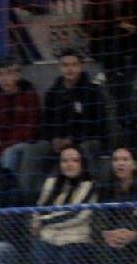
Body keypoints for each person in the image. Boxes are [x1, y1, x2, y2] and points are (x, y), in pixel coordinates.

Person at [27, 147, 98, 264]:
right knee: (40, 263)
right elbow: (40, 206)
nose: (69, 164)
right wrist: (37, 219)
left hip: (76, 238)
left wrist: (42, 222)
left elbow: (76, 215)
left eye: (74, 160)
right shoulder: (51, 182)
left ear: (82, 164)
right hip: (49, 238)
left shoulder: (89, 185)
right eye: (65, 160)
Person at [37, 49, 108, 184]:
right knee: (37, 149)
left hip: (88, 141)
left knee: (84, 148)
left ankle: (89, 189)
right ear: (60, 67)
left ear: (80, 67)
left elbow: (98, 125)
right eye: (65, 65)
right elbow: (46, 123)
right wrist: (54, 139)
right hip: (59, 143)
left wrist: (72, 140)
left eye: (74, 65)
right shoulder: (51, 94)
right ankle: (40, 196)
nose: (70, 69)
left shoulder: (93, 91)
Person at [83, 0, 137, 107]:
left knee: (124, 81)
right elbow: (88, 24)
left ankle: (121, 100)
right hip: (104, 45)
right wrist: (117, 23)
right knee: (112, 46)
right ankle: (120, 101)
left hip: (128, 46)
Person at [0, 60, 41, 185]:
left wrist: (4, 144)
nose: (4, 79)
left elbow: (30, 130)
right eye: (0, 74)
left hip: (25, 144)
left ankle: (8, 193)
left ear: (17, 75)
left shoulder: (30, 97)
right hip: (0, 146)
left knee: (9, 153)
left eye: (8, 74)